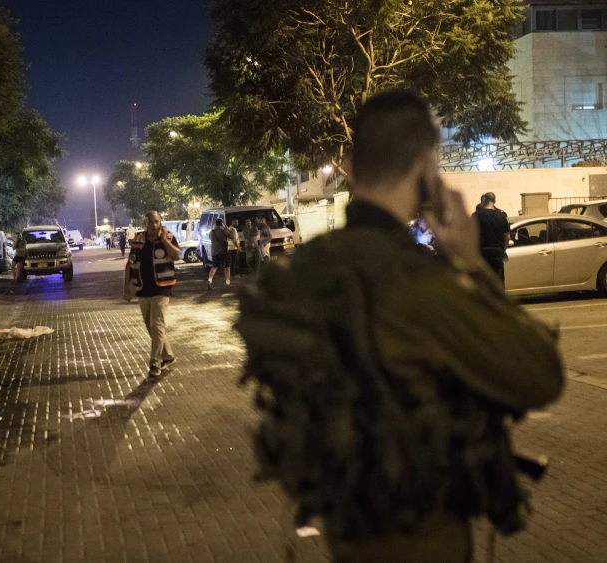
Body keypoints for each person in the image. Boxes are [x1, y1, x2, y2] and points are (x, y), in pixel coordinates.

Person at [237, 91, 563, 563]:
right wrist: (471, 266)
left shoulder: (303, 271)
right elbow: (541, 373)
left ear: (350, 163)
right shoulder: (419, 282)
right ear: (427, 164)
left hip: (345, 529)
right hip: (423, 539)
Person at [123, 211, 180, 378]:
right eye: (150, 223)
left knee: (157, 326)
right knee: (151, 326)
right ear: (145, 223)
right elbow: (130, 263)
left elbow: (177, 255)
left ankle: (155, 363)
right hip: (143, 289)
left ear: (160, 222)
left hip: (162, 289)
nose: (153, 226)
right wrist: (126, 287)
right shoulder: (138, 239)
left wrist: (164, 240)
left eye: (156, 222)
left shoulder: (168, 237)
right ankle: (168, 356)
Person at [472, 192, 510, 282]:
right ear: (494, 201)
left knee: (483, 284)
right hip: (497, 255)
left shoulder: (476, 215)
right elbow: (507, 237)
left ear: (484, 200)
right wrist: (503, 250)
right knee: (498, 283)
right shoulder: (501, 215)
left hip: (482, 254)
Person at [207, 218, 233, 290]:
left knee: (214, 266)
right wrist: (226, 228)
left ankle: (210, 280)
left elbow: (210, 238)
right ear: (222, 224)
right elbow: (232, 236)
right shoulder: (224, 231)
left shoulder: (212, 232)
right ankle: (227, 283)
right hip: (223, 251)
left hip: (214, 251)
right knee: (227, 267)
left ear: (215, 224)